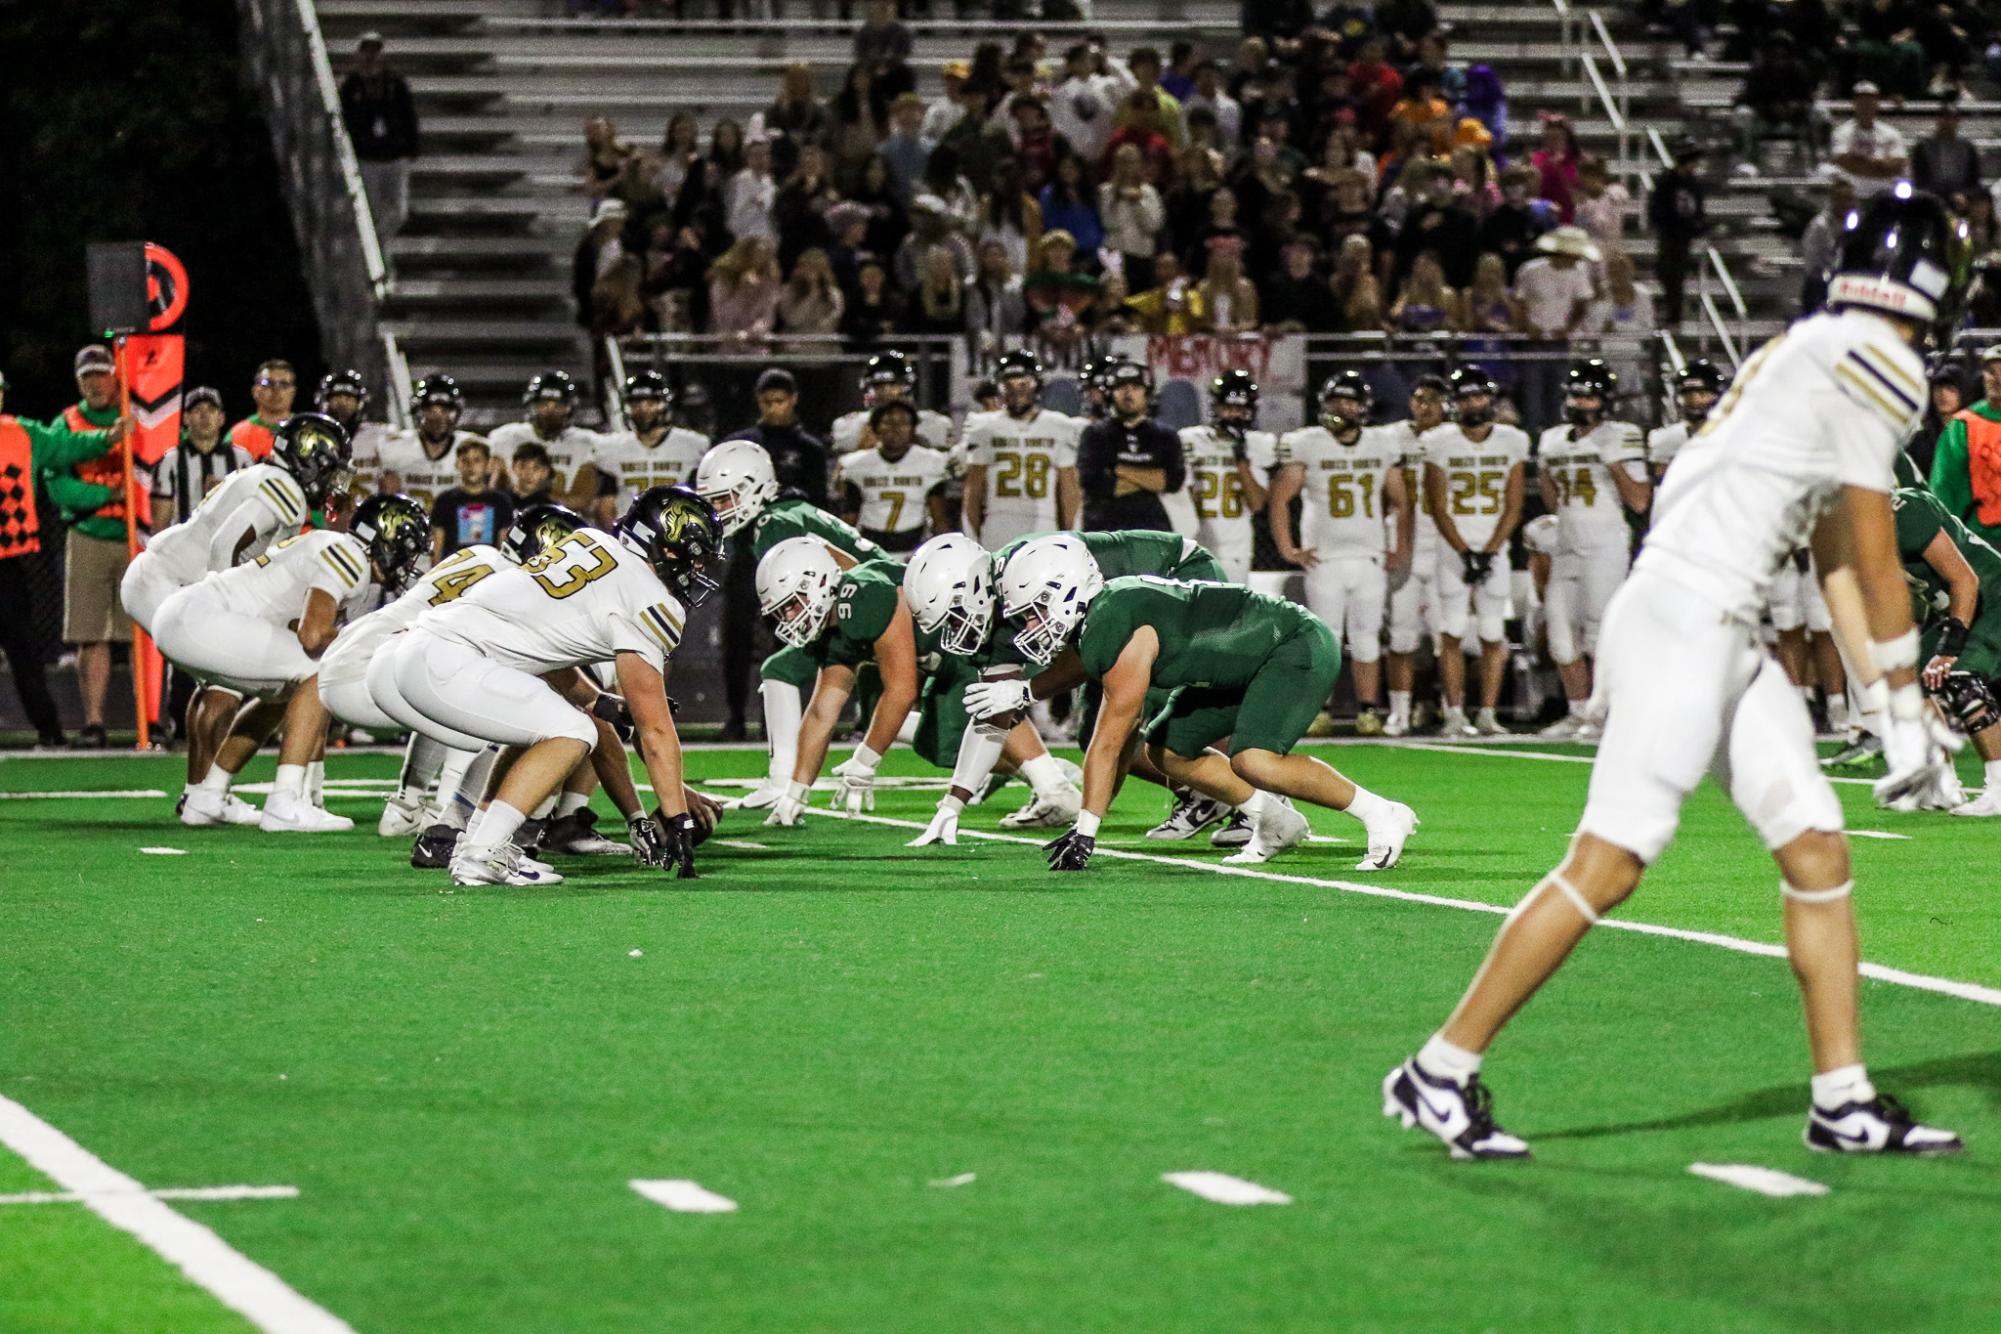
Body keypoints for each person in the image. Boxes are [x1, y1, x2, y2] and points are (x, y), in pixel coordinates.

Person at [1383, 189, 1966, 1163]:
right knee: (1610, 862)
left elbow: (1828, 544)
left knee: (1818, 848)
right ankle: (1439, 1066)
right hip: (1686, 617)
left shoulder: (1808, 351)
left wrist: (1880, 694)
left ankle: (1842, 1096)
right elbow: (1872, 555)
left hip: (1717, 623)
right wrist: (1905, 703)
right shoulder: (1878, 359)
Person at [967, 536, 1420, 869]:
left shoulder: (1114, 624)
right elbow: (1087, 666)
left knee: (1253, 761)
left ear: (1064, 591)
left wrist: (1086, 832)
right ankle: (1274, 819)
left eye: (1034, 611)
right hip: (1236, 662)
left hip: (1289, 647)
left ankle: (1381, 813)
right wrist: (1026, 690)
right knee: (1168, 749)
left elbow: (1108, 741)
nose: (1029, 624)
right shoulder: (1103, 616)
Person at [384, 488, 722, 885]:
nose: (697, 570)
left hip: (425, 649)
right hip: (453, 659)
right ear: (666, 547)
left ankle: (475, 840)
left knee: (546, 725)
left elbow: (542, 649)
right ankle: (482, 853)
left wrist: (599, 701)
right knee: (573, 730)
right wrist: (678, 818)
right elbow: (656, 728)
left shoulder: (590, 541)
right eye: (695, 557)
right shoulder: (651, 599)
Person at [122, 405, 344, 819]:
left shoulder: (261, 475)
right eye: (331, 468)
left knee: (217, 687)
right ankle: (224, 795)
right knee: (246, 685)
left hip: (160, 578)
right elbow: (226, 543)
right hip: (172, 583)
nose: (332, 479)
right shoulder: (284, 488)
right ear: (311, 460)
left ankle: (200, 794)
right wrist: (222, 602)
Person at [695, 438, 887, 802]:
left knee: (780, 669)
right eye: (713, 502)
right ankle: (1008, 760)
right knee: (905, 719)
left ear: (753, 488)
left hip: (868, 610)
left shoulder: (774, 523)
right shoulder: (788, 512)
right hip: (870, 605)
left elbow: (812, 584)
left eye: (724, 499)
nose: (718, 511)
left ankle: (781, 779)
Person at [1269, 371, 1413, 736]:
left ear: (1362, 407)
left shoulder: (1381, 443)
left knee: (1367, 637)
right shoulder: (1308, 443)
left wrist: (1399, 546)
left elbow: (1401, 501)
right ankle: (1320, 709)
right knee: (1325, 637)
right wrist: (1288, 548)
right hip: (1325, 558)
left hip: (1369, 556)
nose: (1342, 408)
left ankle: (1368, 710)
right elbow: (1281, 498)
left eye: (1349, 401)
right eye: (1336, 401)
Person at [754, 539, 921, 830]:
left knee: (950, 739)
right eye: (783, 611)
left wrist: (865, 761)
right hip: (937, 657)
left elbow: (902, 689)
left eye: (793, 604)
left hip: (962, 649)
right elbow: (822, 712)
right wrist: (795, 793)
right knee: (944, 738)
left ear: (818, 582)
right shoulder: (832, 624)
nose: (790, 617)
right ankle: (1029, 774)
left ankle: (1028, 777)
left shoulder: (863, 595)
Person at [0, 368, 124, 749]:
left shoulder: (22, 431)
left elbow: (67, 446)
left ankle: (49, 730)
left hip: (6, 561)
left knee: (24, 650)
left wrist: (109, 437)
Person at [1532, 360, 1651, 739]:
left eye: (1589, 395)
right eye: (1576, 394)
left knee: (1600, 635)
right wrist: (1546, 472)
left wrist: (1611, 462)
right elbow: (1552, 500)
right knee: (1562, 638)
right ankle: (1578, 711)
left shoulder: (1622, 435)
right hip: (1567, 544)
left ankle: (1608, 712)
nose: (1581, 402)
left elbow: (1639, 500)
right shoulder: (1553, 439)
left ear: (1605, 401)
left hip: (1606, 545)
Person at [1423, 368, 1530, 736]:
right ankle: (1454, 713)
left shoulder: (1512, 440)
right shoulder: (1440, 442)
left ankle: (1487, 713)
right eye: (1466, 398)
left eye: (1479, 396)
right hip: (1454, 547)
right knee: (1450, 629)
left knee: (1491, 631)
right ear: (1455, 403)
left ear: (1491, 398)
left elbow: (1514, 504)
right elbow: (1436, 504)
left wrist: (1490, 550)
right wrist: (1464, 550)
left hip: (1493, 547)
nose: (1474, 404)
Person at [1890, 485, 2001, 816]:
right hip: (1965, 606)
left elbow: (1965, 580)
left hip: (1992, 598)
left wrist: (1950, 646)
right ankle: (1941, 785)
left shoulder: (1903, 512)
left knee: (1959, 675)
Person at [55, 345, 137, 748]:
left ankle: (151, 721)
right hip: (88, 534)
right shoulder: (67, 422)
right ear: (78, 381)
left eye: (102, 374)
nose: (95, 383)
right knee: (91, 636)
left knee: (144, 635)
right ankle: (93, 723)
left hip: (136, 538)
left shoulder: (138, 415)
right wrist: (110, 495)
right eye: (87, 377)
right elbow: (58, 484)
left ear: (115, 375)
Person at [1382, 375, 1449, 737]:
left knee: (1450, 637)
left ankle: (1448, 709)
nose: (1425, 407)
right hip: (1403, 545)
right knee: (1401, 637)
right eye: (1420, 399)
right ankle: (1400, 712)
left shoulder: (1456, 440)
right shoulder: (1389, 438)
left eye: (1434, 400)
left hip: (1444, 547)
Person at [961, 349, 1083, 548]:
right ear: (999, 387)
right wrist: (971, 542)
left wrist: (1073, 540)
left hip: (1045, 527)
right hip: (997, 526)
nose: (1016, 390)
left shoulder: (1060, 426)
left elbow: (1069, 492)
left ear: (1037, 385)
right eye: (1008, 384)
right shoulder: (984, 428)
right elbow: (972, 492)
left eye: (1023, 383)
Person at [1177, 372, 1275, 584]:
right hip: (1194, 545)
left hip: (1235, 551)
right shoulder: (1191, 440)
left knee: (1230, 614)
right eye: (1228, 408)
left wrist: (1241, 460)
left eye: (1240, 409)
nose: (1233, 415)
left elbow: (1257, 504)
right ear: (1216, 407)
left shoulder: (1257, 444)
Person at [1076, 359, 1184, 533]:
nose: (1128, 394)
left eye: (1135, 388)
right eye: (1121, 388)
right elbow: (1092, 482)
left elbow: (1172, 482)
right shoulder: (1094, 434)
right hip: (1104, 533)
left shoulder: (1165, 436)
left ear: (1146, 393)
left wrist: (1117, 469)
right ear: (1111, 394)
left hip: (1152, 531)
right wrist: (1149, 481)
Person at [833, 401, 952, 554]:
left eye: (903, 422)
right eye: (888, 422)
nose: (895, 429)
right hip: (870, 551)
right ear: (875, 428)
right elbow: (849, 518)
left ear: (913, 429)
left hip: (914, 551)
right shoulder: (857, 465)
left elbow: (939, 519)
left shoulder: (930, 462)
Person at [592, 371, 711, 523]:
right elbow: (605, 506)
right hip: (626, 531)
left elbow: (701, 499)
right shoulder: (611, 447)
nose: (643, 410)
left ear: (665, 403)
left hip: (677, 529)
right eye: (636, 404)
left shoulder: (694, 445)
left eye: (650, 403)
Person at [486, 371, 604, 513]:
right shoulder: (505, 438)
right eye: (544, 405)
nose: (550, 412)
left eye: (558, 406)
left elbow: (583, 499)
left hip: (563, 523)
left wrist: (536, 499)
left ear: (569, 408)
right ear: (531, 406)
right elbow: (492, 491)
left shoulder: (585, 442)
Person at [339, 32, 419, 242]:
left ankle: (379, 243)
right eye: (367, 52)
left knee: (398, 211)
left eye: (375, 52)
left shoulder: (394, 84)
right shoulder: (351, 86)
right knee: (370, 210)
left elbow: (408, 115)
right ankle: (377, 251)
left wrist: (411, 146)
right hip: (368, 157)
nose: (371, 57)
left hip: (394, 154)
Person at [1928, 342, 2001, 551]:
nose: (1997, 378)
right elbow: (1943, 485)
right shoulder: (1962, 426)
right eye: (1991, 371)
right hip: (1976, 540)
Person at [374, 374, 484, 509]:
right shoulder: (395, 448)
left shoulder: (472, 446)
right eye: (431, 411)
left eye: (445, 410)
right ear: (419, 411)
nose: (438, 418)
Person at [829, 352, 953, 457]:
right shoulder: (849, 425)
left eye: (893, 384)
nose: (886, 391)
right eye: (879, 385)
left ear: (908, 386)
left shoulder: (934, 424)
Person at [428, 439, 515, 559]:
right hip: (452, 569)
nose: (471, 466)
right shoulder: (445, 500)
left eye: (477, 460)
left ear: (487, 464)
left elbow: (504, 543)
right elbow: (437, 544)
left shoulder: (500, 501)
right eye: (465, 461)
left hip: (489, 568)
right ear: (457, 464)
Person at [1645, 359, 1725, 483]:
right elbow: (1660, 485)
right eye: (1688, 395)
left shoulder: (1735, 435)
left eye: (1702, 394)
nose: (1694, 401)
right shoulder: (1666, 437)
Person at [1828, 81, 1909, 199]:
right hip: (1853, 196)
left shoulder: (1891, 133)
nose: (1865, 106)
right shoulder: (1841, 133)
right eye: (1861, 101)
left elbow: (1898, 164)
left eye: (1870, 101)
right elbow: (1845, 162)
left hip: (1885, 196)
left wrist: (1861, 161)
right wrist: (1881, 166)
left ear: (1877, 103)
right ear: (1854, 104)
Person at [225, 360, 296, 461]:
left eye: (284, 384)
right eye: (268, 383)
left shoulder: (306, 431)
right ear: (255, 391)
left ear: (293, 392)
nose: (276, 390)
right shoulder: (237, 435)